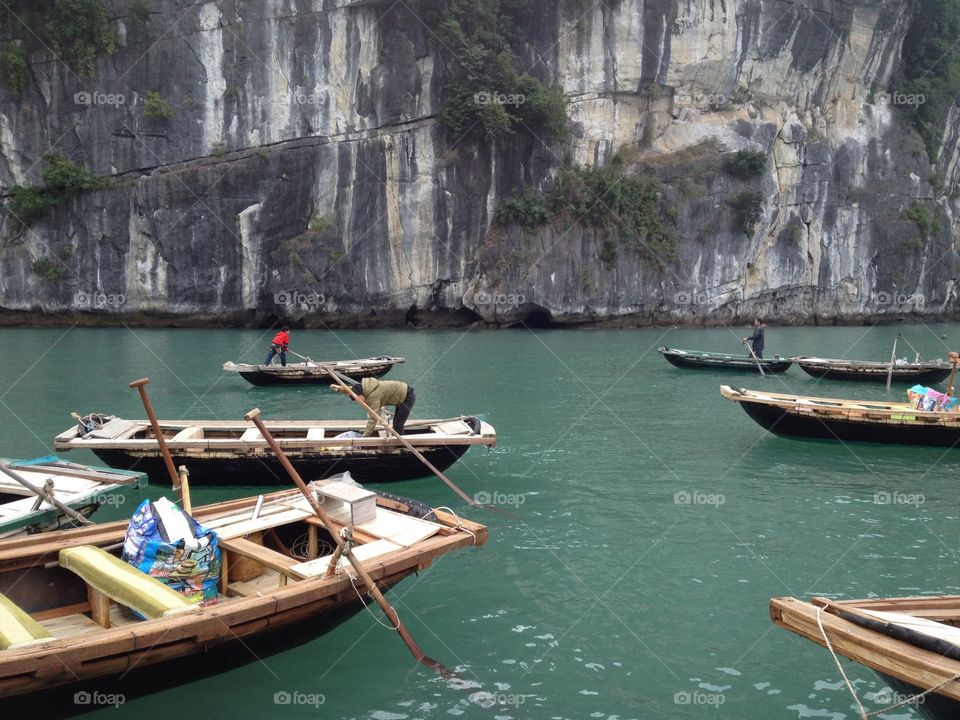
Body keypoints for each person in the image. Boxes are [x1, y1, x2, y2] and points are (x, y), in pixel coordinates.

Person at [331, 375, 416, 436]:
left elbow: (373, 417)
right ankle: (398, 439)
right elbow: (351, 390)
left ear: (361, 394)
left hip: (407, 397)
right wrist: (339, 389)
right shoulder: (364, 387)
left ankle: (401, 445)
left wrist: (365, 436)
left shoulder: (373, 396)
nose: (358, 401)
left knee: (397, 425)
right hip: (400, 394)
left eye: (358, 399)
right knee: (396, 424)